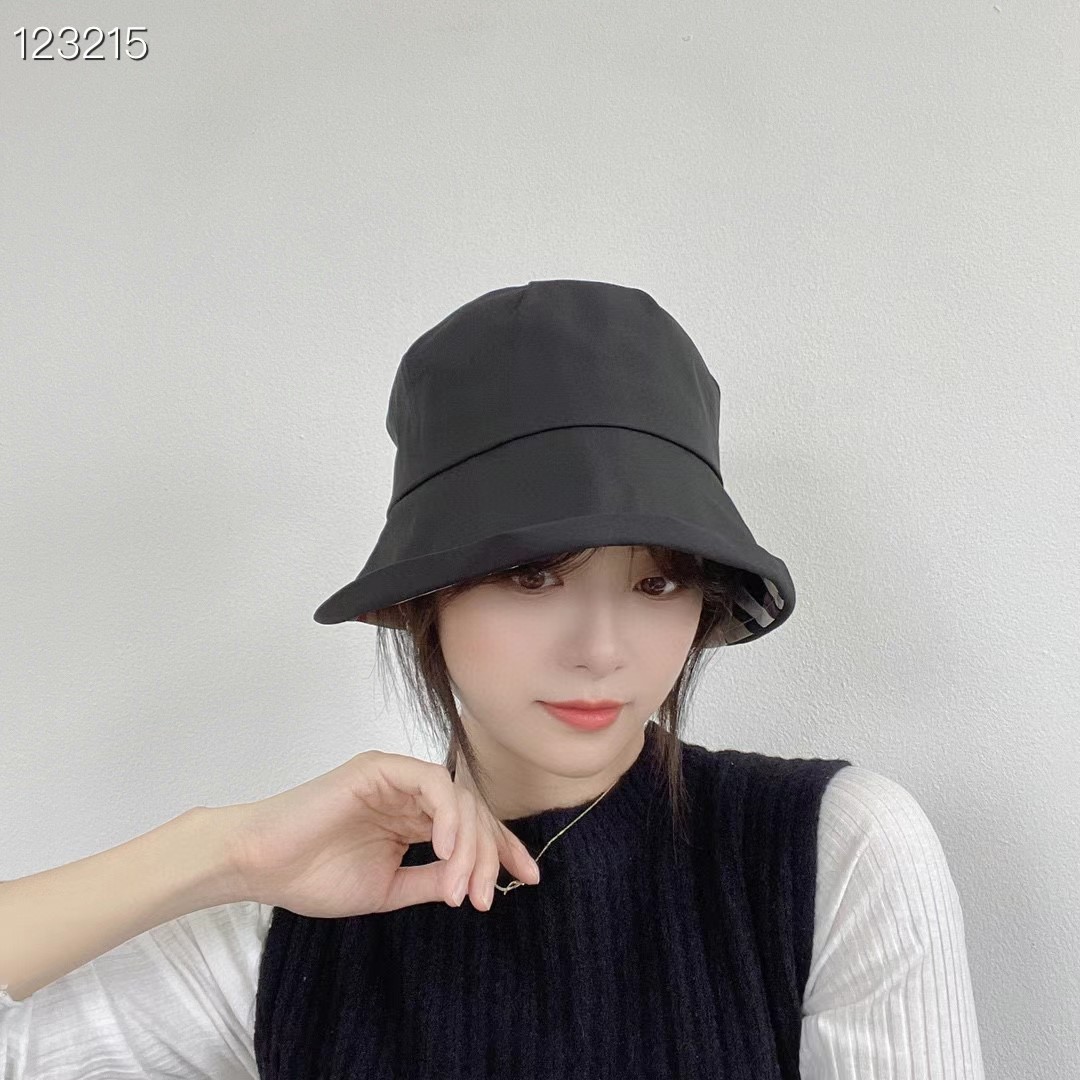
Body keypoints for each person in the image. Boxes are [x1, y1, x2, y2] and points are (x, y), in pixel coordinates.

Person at [0, 279, 985, 1078]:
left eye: (656, 581)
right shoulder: (295, 912)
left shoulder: (827, 852)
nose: (602, 648)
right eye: (534, 576)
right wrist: (223, 849)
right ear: (429, 594)